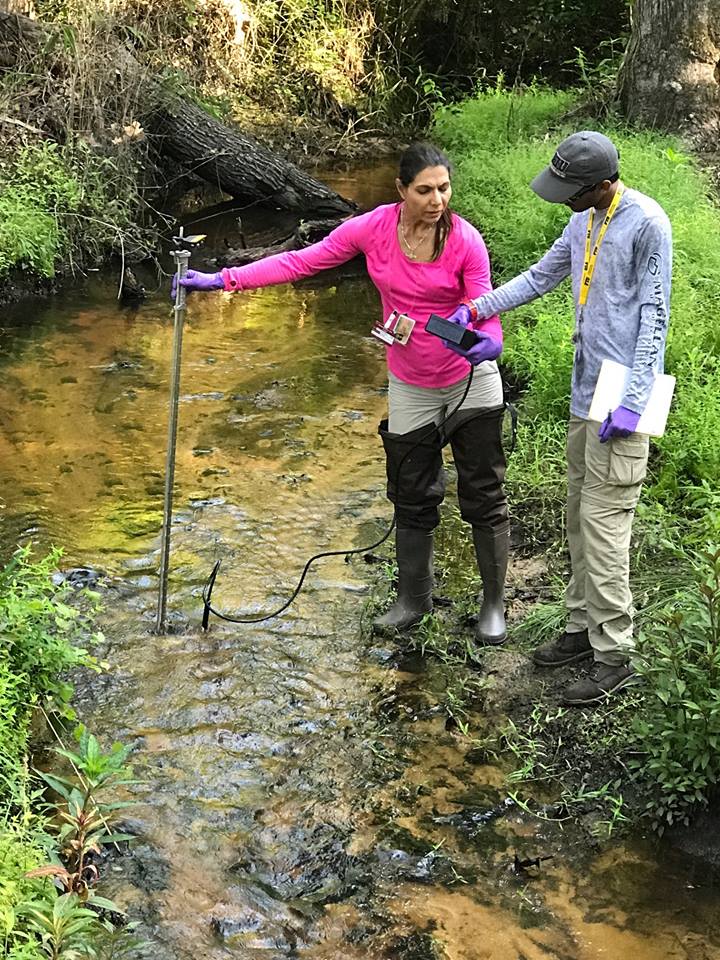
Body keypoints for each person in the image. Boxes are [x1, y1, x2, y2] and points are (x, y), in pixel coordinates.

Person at [171, 142, 511, 645]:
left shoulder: (465, 241)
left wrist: (491, 343)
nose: (437, 199)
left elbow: (485, 306)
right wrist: (225, 280)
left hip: (469, 380)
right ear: (400, 191)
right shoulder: (372, 228)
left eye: (443, 188)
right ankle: (413, 599)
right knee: (411, 493)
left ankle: (493, 605)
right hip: (410, 381)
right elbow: (301, 262)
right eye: (424, 190)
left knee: (482, 493)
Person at [446, 130, 672, 705]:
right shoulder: (582, 222)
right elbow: (541, 277)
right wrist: (477, 306)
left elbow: (655, 316)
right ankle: (579, 629)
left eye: (571, 190)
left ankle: (615, 652)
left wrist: (636, 399)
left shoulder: (647, 222)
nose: (562, 199)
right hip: (584, 389)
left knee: (605, 525)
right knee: (577, 514)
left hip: (624, 395)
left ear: (601, 183)